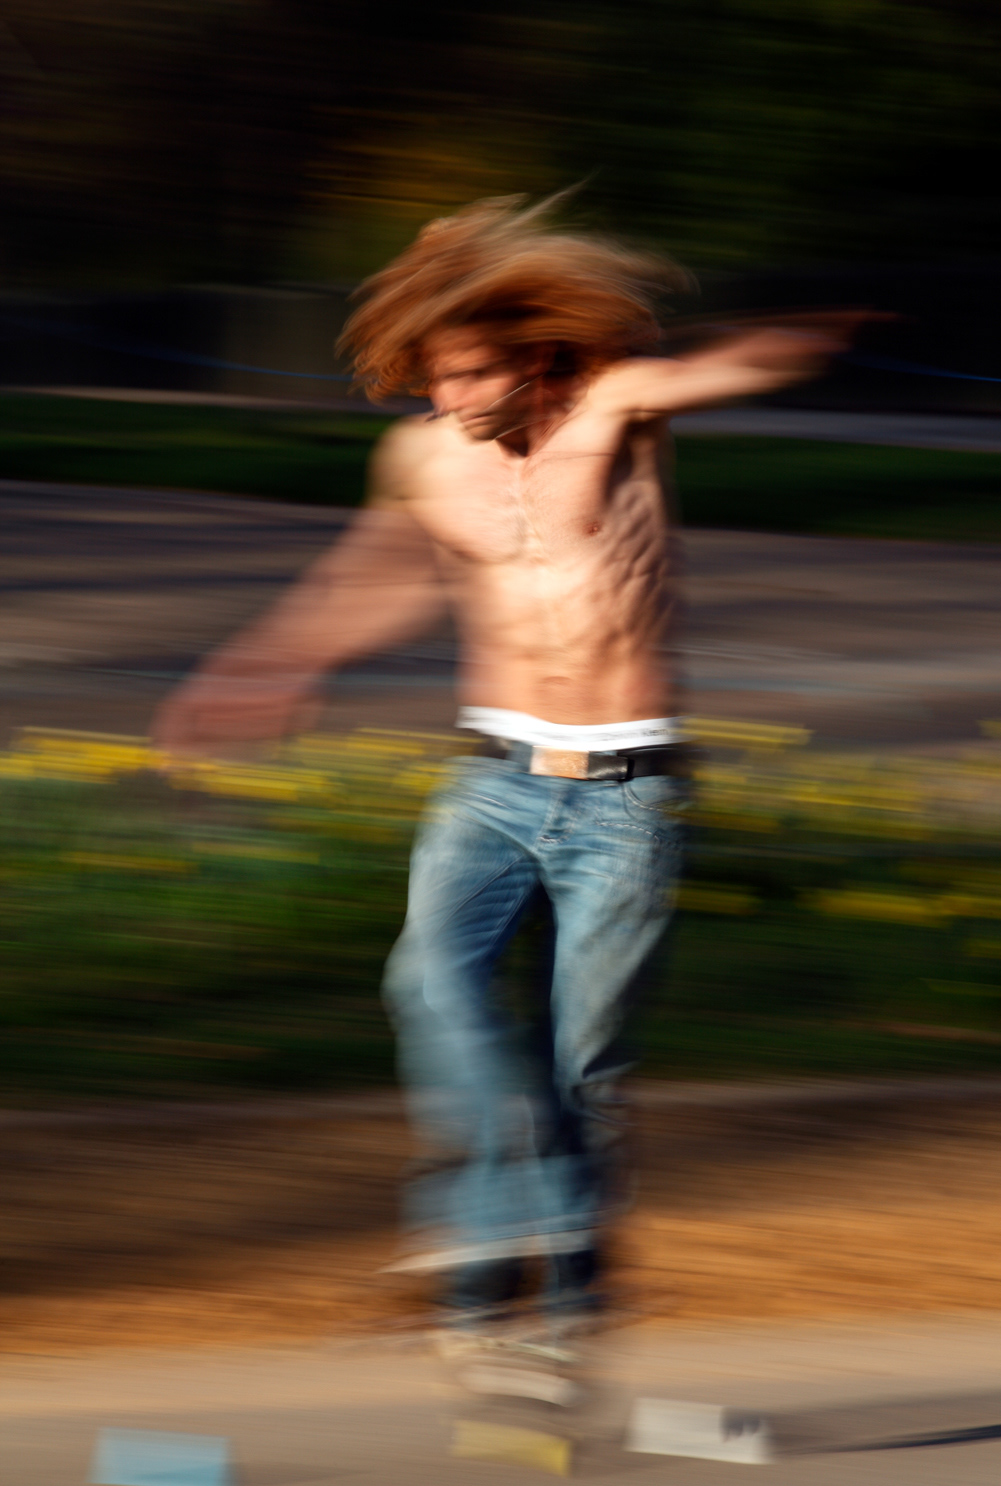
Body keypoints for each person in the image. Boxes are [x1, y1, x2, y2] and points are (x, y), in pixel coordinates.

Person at [154, 195, 850, 1371]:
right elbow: (370, 582)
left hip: (626, 789)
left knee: (582, 1063)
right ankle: (486, 1260)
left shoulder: (613, 411)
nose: (450, 397)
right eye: (437, 376)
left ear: (532, 362)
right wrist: (266, 665)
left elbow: (713, 374)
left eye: (473, 374)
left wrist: (791, 344)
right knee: (427, 984)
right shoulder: (422, 454)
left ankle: (568, 1290)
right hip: (492, 774)